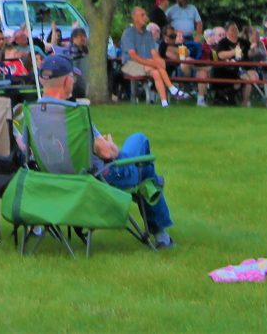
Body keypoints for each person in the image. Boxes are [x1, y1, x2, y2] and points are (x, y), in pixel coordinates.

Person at [34, 56, 174, 248]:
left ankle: (160, 228)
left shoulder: (31, 113)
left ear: (42, 80)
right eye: (72, 78)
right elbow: (108, 154)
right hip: (101, 179)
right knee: (141, 146)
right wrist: (111, 145)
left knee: (142, 163)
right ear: (67, 81)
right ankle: (160, 232)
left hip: (55, 179)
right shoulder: (74, 115)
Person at [118, 7, 174, 107]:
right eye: (142, 15)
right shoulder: (128, 33)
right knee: (155, 67)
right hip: (130, 64)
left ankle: (164, 102)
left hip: (146, 65)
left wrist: (159, 60)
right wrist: (152, 63)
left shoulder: (148, 34)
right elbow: (133, 56)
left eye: (145, 15)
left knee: (156, 72)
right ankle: (171, 88)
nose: (146, 18)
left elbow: (154, 53)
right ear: (134, 17)